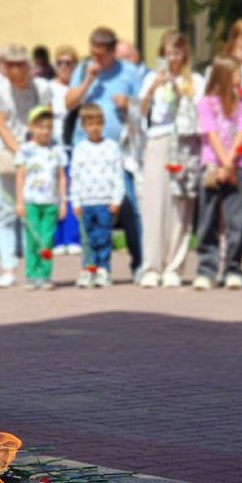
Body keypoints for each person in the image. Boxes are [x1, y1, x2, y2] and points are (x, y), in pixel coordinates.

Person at [65, 27, 142, 274]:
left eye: (100, 55)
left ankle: (139, 263)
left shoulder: (129, 72)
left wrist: (129, 103)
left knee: (129, 205)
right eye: (93, 53)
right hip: (86, 148)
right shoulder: (83, 70)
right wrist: (88, 80)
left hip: (118, 149)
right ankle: (91, 265)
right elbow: (69, 103)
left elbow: (144, 107)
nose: (95, 58)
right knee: (88, 209)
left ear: (112, 51)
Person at [135, 30, 201, 288]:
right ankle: (152, 266)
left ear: (185, 53)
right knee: (154, 204)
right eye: (168, 53)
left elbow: (197, 112)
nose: (172, 58)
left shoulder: (194, 80)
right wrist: (154, 87)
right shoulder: (151, 78)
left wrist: (179, 89)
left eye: (177, 52)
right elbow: (140, 112)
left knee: (180, 206)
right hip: (158, 139)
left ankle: (174, 266)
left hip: (184, 142)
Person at [0, 44, 51, 288]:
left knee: (32, 211)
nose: (14, 69)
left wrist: (34, 150)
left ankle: (32, 267)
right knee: (6, 211)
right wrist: (19, 151)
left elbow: (46, 119)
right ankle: (8, 268)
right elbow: (1, 125)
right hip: (8, 154)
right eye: (10, 64)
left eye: (20, 64)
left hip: (36, 154)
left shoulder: (41, 87)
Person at [193, 56, 242, 291]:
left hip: (236, 165)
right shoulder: (206, 103)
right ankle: (206, 270)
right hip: (212, 166)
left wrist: (231, 163)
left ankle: (233, 269)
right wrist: (224, 164)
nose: (241, 77)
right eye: (237, 73)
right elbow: (212, 135)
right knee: (208, 221)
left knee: (237, 221)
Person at [69, 104, 125, 288]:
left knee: (103, 237)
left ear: (103, 124)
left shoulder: (112, 147)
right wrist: (75, 201)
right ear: (83, 126)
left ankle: (103, 270)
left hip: (105, 201)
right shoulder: (80, 149)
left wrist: (117, 199)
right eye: (90, 124)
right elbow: (75, 176)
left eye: (98, 123)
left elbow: (118, 175)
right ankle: (88, 269)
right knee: (87, 239)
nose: (94, 128)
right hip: (86, 201)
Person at [14, 105, 67, 289]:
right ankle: (31, 274)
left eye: (48, 127)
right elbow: (20, 177)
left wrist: (63, 202)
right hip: (31, 202)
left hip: (50, 203)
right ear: (31, 128)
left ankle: (45, 275)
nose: (44, 131)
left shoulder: (57, 151)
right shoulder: (25, 150)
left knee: (47, 239)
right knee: (32, 239)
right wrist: (19, 202)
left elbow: (61, 177)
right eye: (40, 127)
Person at [49, 45, 83, 254]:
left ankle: (72, 238)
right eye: (60, 62)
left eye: (68, 63)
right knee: (54, 191)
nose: (64, 67)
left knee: (72, 191)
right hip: (53, 144)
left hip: (72, 145)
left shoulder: (79, 88)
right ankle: (56, 239)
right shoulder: (49, 87)